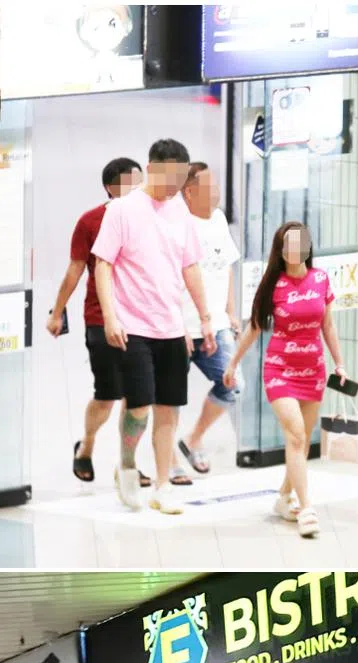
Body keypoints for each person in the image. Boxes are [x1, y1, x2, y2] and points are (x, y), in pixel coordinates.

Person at [93, 138, 217, 514]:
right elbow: (103, 264)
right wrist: (110, 316)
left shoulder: (179, 210)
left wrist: (205, 318)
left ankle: (163, 484)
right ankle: (128, 465)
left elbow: (190, 266)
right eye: (169, 180)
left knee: (169, 408)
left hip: (171, 327)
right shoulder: (122, 211)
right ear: (151, 169)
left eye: (180, 181)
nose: (173, 188)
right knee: (140, 406)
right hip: (133, 327)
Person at [222, 221, 349, 539]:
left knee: (302, 441)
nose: (296, 250)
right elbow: (254, 327)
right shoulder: (273, 285)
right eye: (289, 245)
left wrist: (340, 364)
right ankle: (307, 508)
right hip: (280, 370)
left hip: (314, 371)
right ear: (281, 251)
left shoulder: (320, 279)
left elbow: (328, 326)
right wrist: (233, 363)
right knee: (294, 438)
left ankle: (282, 497)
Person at [46, 156, 152, 488]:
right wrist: (56, 312)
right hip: (100, 319)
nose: (139, 188)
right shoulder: (91, 222)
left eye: (141, 181)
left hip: (142, 321)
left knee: (137, 398)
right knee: (107, 395)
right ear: (111, 186)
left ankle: (128, 464)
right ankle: (87, 444)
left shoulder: (151, 219)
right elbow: (75, 270)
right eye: (132, 182)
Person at [178, 161, 241, 475]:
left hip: (215, 325)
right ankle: (164, 464)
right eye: (209, 187)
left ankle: (194, 438)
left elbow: (226, 265)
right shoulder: (178, 225)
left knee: (232, 384)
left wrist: (231, 311)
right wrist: (177, 324)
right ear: (189, 193)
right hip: (180, 330)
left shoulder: (218, 218)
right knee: (167, 398)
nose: (216, 192)